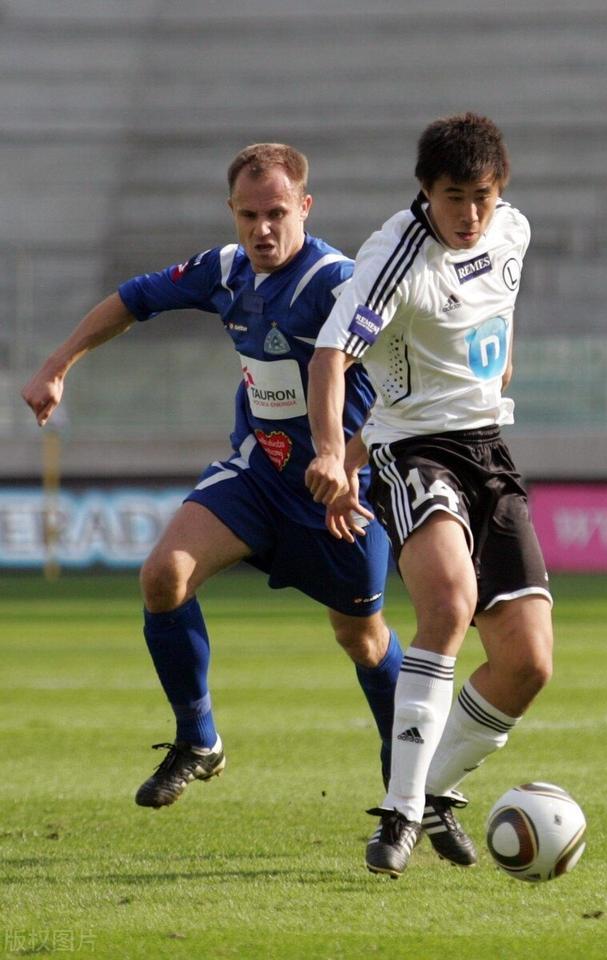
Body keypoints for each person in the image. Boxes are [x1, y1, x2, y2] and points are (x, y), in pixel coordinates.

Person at [21, 143, 405, 812]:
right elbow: (133, 298)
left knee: (362, 638)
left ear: (305, 208)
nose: (263, 229)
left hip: (339, 494)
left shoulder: (339, 284)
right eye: (249, 215)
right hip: (258, 474)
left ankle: (410, 776)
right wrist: (58, 364)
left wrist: (348, 458)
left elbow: (404, 384)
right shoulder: (225, 271)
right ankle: (199, 740)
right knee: (163, 576)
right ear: (231, 211)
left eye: (277, 213)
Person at [305, 113, 554, 877]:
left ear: (499, 190)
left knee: (528, 663)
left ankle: (434, 790)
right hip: (415, 452)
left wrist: (497, 371)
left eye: (482, 195)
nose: (470, 214)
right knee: (448, 604)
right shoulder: (393, 257)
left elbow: (495, 319)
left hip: (489, 451)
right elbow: (331, 356)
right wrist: (333, 453)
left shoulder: (512, 231)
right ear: (425, 190)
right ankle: (400, 812)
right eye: (454, 197)